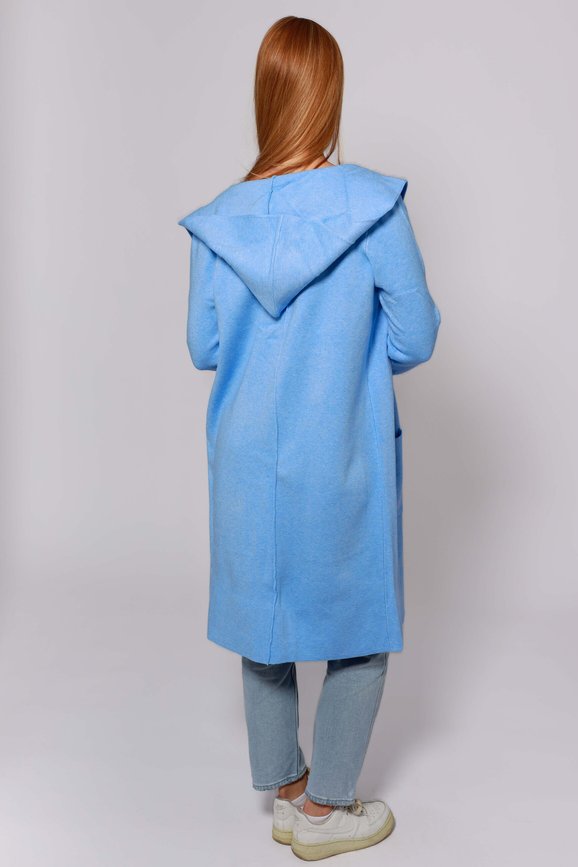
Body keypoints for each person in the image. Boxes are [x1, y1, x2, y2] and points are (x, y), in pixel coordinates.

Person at [178, 15, 441, 861]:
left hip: (246, 462)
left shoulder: (218, 221)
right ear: (329, 97)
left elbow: (204, 346)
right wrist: (350, 359)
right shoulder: (373, 207)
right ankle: (327, 810)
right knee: (359, 626)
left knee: (265, 621)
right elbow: (417, 335)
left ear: (266, 96)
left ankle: (288, 792)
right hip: (341, 455)